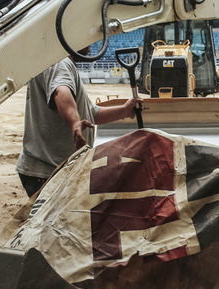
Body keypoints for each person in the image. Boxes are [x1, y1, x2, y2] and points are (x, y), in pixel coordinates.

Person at [16, 59, 139, 197]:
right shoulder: (59, 63)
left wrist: (124, 110)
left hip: (50, 169)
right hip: (50, 171)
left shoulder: (55, 62)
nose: (89, 44)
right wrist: (75, 123)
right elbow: (61, 92)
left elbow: (92, 115)